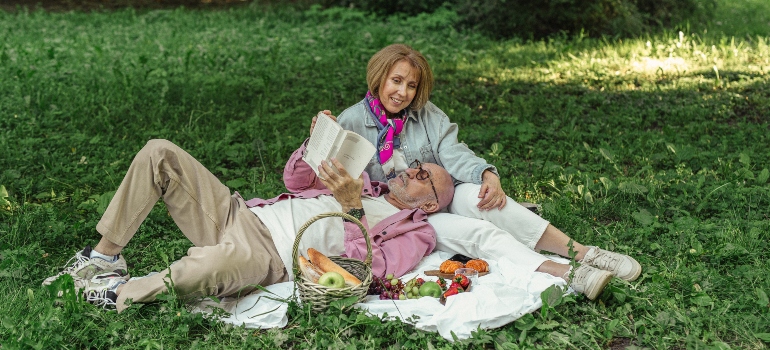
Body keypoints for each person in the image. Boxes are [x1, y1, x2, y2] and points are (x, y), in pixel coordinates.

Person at [305, 43, 642, 289]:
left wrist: (486, 174)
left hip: (440, 193)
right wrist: (319, 137)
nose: (403, 92)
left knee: (486, 199)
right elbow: (335, 175)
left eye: (411, 86)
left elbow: (453, 152)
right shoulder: (351, 120)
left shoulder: (428, 115)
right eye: (396, 81)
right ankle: (568, 273)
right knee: (480, 233)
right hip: (401, 215)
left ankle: (583, 252)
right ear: (379, 78)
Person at [42, 139, 456, 311]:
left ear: (434, 203)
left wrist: (352, 208)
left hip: (269, 254)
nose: (414, 173)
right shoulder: (364, 180)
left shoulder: (417, 231)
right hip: (239, 213)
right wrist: (313, 144)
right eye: (417, 167)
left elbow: (370, 270)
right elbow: (294, 180)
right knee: (159, 152)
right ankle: (103, 258)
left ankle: (116, 294)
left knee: (206, 270)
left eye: (425, 178)